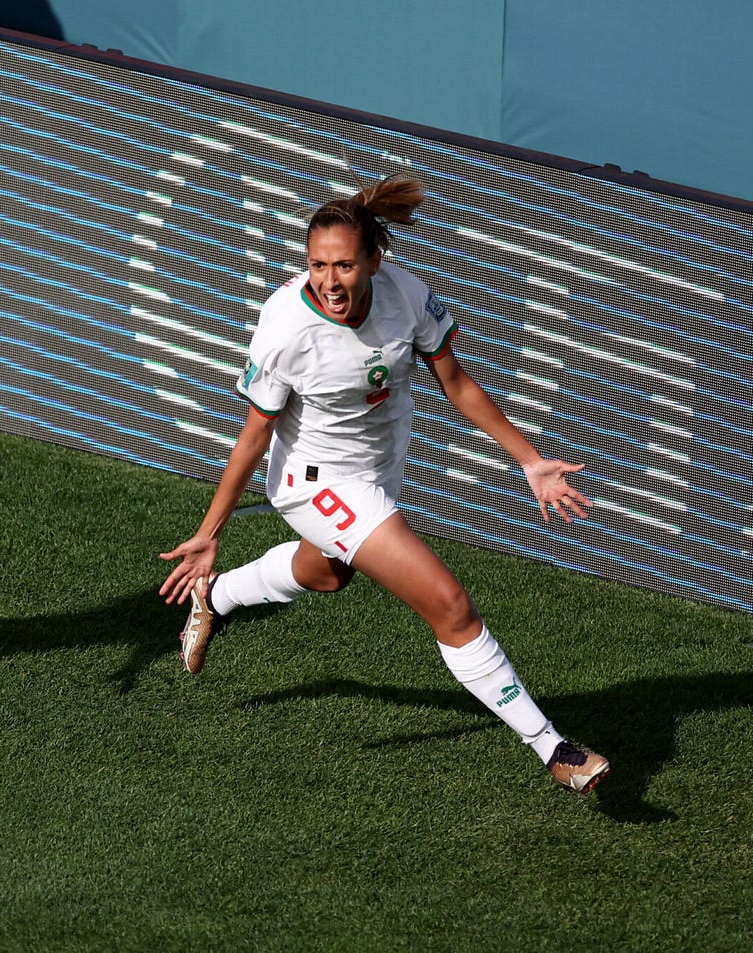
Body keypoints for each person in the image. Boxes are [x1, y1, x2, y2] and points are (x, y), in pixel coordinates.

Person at [159, 173, 609, 794]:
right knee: (450, 605)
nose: (329, 280)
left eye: (343, 265)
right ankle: (552, 747)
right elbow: (254, 436)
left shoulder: (407, 295)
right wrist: (210, 532)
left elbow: (457, 383)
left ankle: (219, 596)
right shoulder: (286, 328)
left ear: (375, 259)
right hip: (312, 479)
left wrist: (528, 460)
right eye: (317, 265)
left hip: (378, 466)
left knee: (328, 573)